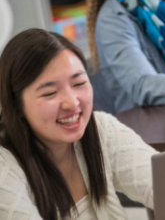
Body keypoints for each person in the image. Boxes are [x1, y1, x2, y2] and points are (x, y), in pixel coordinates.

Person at [0, 29, 157, 220]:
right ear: (16, 104)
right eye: (49, 93)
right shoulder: (4, 167)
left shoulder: (102, 129)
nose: (72, 103)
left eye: (79, 83)